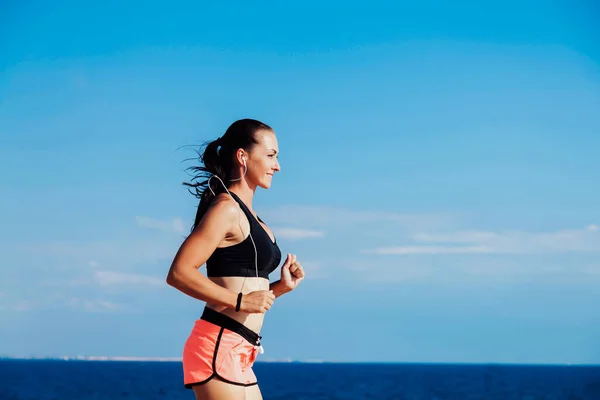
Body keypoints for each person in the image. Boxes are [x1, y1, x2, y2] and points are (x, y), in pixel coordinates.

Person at [166, 118, 305, 400]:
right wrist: (241, 301)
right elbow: (179, 273)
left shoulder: (255, 220)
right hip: (217, 345)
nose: (277, 165)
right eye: (270, 155)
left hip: (240, 351)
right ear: (242, 156)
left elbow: (244, 289)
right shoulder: (226, 209)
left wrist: (279, 287)